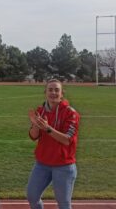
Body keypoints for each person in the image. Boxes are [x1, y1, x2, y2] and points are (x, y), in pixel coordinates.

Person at [27, 79, 80, 209]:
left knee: (63, 204)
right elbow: (34, 136)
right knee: (32, 196)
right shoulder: (40, 111)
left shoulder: (71, 113)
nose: (53, 93)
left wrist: (47, 128)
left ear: (62, 94)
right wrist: (35, 125)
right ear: (45, 92)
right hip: (42, 163)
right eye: (50, 90)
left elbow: (67, 140)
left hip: (64, 165)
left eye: (57, 90)